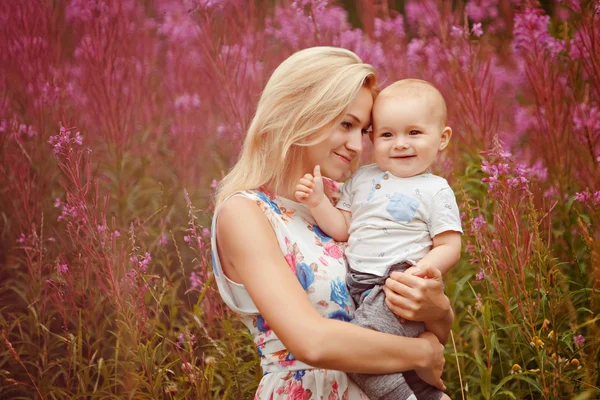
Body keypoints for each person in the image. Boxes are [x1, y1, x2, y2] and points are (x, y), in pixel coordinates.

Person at [211, 47, 454, 399]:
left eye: (365, 130)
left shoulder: (345, 201)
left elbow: (426, 328)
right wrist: (422, 353)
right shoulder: (246, 213)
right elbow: (312, 341)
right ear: (301, 113)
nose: (358, 145)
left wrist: (439, 310)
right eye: (346, 124)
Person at [294, 79, 462, 400]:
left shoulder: (435, 189)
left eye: (413, 133)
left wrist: (420, 273)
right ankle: (420, 387)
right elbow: (344, 228)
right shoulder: (362, 178)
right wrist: (318, 203)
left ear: (442, 139)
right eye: (387, 134)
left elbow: (449, 244)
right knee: (383, 357)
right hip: (358, 285)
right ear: (372, 138)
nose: (399, 143)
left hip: (394, 287)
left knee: (357, 356)